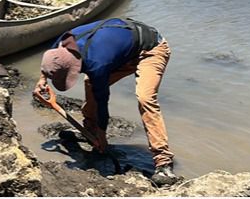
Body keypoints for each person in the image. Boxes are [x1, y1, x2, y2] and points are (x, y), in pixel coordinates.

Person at [35, 17, 178, 186]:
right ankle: (89, 129)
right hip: (124, 49)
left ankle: (163, 161)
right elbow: (51, 57)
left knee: (145, 97)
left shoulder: (98, 63)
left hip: (151, 49)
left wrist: (103, 137)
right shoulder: (64, 41)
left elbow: (103, 102)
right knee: (90, 83)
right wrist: (42, 79)